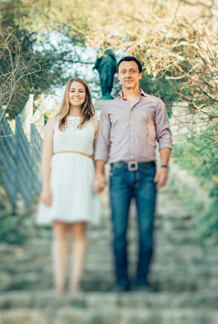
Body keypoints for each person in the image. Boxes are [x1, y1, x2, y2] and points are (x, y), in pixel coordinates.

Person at [93, 56, 173, 292]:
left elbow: (165, 136)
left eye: (132, 71)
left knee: (146, 231)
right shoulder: (109, 108)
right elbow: (102, 144)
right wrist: (99, 173)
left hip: (147, 174)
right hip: (118, 176)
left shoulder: (155, 104)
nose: (127, 75)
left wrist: (164, 167)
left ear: (140, 74)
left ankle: (142, 280)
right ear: (118, 75)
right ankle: (121, 281)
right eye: (123, 71)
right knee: (119, 231)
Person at [36, 78, 101, 293]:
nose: (76, 94)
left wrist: (100, 177)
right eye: (72, 90)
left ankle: (75, 284)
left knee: (80, 231)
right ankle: (59, 283)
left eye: (80, 91)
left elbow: (99, 156)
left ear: (86, 95)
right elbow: (46, 157)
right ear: (66, 94)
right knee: (60, 231)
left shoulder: (94, 124)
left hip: (83, 176)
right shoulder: (54, 122)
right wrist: (45, 187)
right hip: (59, 177)